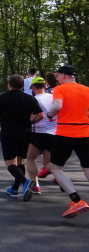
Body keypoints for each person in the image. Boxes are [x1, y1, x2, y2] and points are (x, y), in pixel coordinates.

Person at [0, 75, 43, 198]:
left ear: (9, 85)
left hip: (8, 133)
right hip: (25, 133)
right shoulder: (29, 98)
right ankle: (14, 189)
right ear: (23, 86)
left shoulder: (3, 97)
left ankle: (25, 182)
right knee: (20, 161)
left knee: (9, 163)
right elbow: (41, 115)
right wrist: (31, 122)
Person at [46, 64, 89, 218]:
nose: (57, 78)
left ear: (64, 75)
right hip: (85, 132)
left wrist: (50, 115)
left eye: (58, 75)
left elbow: (57, 106)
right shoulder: (86, 90)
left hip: (65, 133)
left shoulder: (60, 89)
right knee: (87, 167)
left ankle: (76, 200)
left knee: (56, 168)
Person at [23, 77, 56, 200]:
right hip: (54, 133)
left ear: (33, 87)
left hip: (38, 133)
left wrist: (30, 122)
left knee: (30, 159)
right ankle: (61, 177)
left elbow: (32, 116)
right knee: (47, 162)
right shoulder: (54, 97)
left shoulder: (33, 99)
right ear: (45, 86)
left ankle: (35, 185)